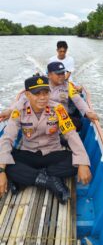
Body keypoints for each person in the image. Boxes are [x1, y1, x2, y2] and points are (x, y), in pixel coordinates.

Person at [0, 75, 91, 203]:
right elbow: (7, 138)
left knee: (76, 162)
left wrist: (83, 163)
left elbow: (71, 134)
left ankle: (26, 178)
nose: (42, 98)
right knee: (6, 163)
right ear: (27, 94)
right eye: (37, 94)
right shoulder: (18, 110)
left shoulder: (58, 109)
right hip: (28, 153)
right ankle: (49, 181)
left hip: (52, 152)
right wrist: (1, 170)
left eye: (46, 93)